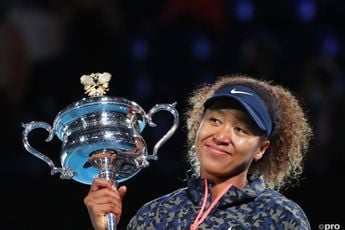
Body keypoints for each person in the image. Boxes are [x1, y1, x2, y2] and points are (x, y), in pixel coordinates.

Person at [84, 74, 313, 229]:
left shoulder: (282, 217)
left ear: (260, 150)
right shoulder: (154, 215)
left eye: (240, 129)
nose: (222, 137)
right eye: (214, 120)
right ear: (198, 126)